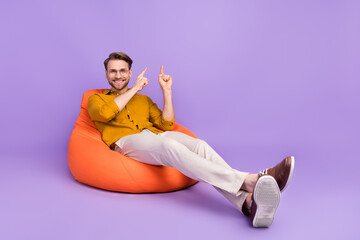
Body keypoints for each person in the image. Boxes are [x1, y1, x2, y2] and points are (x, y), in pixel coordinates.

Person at [88, 52, 295, 228]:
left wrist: (166, 91)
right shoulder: (95, 99)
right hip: (126, 142)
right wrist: (134, 89)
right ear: (106, 74)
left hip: (154, 135)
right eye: (113, 71)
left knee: (199, 145)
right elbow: (106, 114)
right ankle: (249, 180)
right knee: (168, 145)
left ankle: (247, 202)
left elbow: (167, 124)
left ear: (130, 72)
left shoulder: (143, 100)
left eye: (122, 71)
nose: (118, 75)